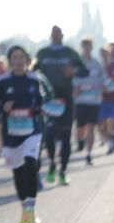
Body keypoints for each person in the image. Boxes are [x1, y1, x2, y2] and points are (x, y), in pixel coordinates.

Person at [0, 46, 47, 223]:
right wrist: (2, 108)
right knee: (18, 173)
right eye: (15, 57)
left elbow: (41, 100)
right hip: (11, 135)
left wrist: (39, 109)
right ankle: (26, 211)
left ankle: (30, 207)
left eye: (22, 57)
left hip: (32, 131)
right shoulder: (2, 81)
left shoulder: (34, 80)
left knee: (30, 164)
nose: (18, 60)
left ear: (26, 60)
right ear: (9, 61)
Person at [33, 26, 88, 186]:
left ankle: (63, 171)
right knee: (48, 136)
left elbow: (84, 71)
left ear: (62, 35)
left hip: (66, 99)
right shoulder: (42, 53)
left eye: (59, 33)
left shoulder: (70, 52)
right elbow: (32, 70)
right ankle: (51, 163)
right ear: (50, 35)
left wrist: (74, 72)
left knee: (65, 136)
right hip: (48, 100)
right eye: (53, 33)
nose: (56, 36)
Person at [73, 38, 105, 166]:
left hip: (94, 101)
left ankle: (88, 154)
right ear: (82, 47)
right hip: (80, 101)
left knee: (91, 127)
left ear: (92, 48)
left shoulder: (97, 64)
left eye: (89, 47)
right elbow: (71, 79)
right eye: (85, 47)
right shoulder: (76, 63)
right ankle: (80, 140)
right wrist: (75, 88)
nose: (87, 49)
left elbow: (103, 80)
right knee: (81, 128)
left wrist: (101, 87)